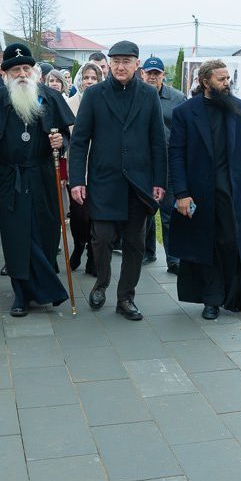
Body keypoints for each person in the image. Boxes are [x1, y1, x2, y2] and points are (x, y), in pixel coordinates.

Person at [0, 42, 75, 317]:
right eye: (15, 70)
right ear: (6, 74)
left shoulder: (50, 98)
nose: (21, 74)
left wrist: (59, 141)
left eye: (26, 68)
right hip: (9, 178)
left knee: (45, 233)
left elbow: (66, 135)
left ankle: (41, 287)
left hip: (43, 176)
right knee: (17, 238)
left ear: (35, 72)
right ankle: (21, 294)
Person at [68, 40, 167, 321]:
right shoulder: (95, 95)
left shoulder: (148, 95)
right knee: (101, 239)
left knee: (135, 243)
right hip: (104, 182)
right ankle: (101, 283)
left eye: (127, 61)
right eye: (116, 61)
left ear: (137, 64)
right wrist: (77, 180)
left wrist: (160, 181)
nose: (121, 66)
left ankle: (126, 298)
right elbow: (79, 141)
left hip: (139, 185)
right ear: (109, 64)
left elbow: (158, 142)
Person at [168, 59, 241, 320]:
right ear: (205, 81)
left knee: (233, 242)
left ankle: (235, 297)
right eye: (221, 79)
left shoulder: (239, 108)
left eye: (228, 78)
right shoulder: (185, 112)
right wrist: (182, 193)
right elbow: (176, 155)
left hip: (233, 193)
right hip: (200, 192)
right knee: (205, 246)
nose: (226, 83)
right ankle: (211, 299)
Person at [140, 56, 187, 271]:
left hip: (169, 164)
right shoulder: (136, 96)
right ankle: (148, 252)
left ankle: (174, 259)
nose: (152, 77)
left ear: (162, 75)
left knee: (169, 215)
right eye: (149, 73)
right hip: (144, 164)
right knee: (145, 213)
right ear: (142, 74)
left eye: (156, 73)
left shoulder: (178, 99)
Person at [67, 63, 103, 274]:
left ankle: (92, 253)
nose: (89, 81)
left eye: (94, 77)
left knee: (96, 215)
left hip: (99, 167)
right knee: (79, 215)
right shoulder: (69, 104)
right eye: (86, 77)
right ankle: (79, 243)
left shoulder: (104, 101)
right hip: (77, 166)